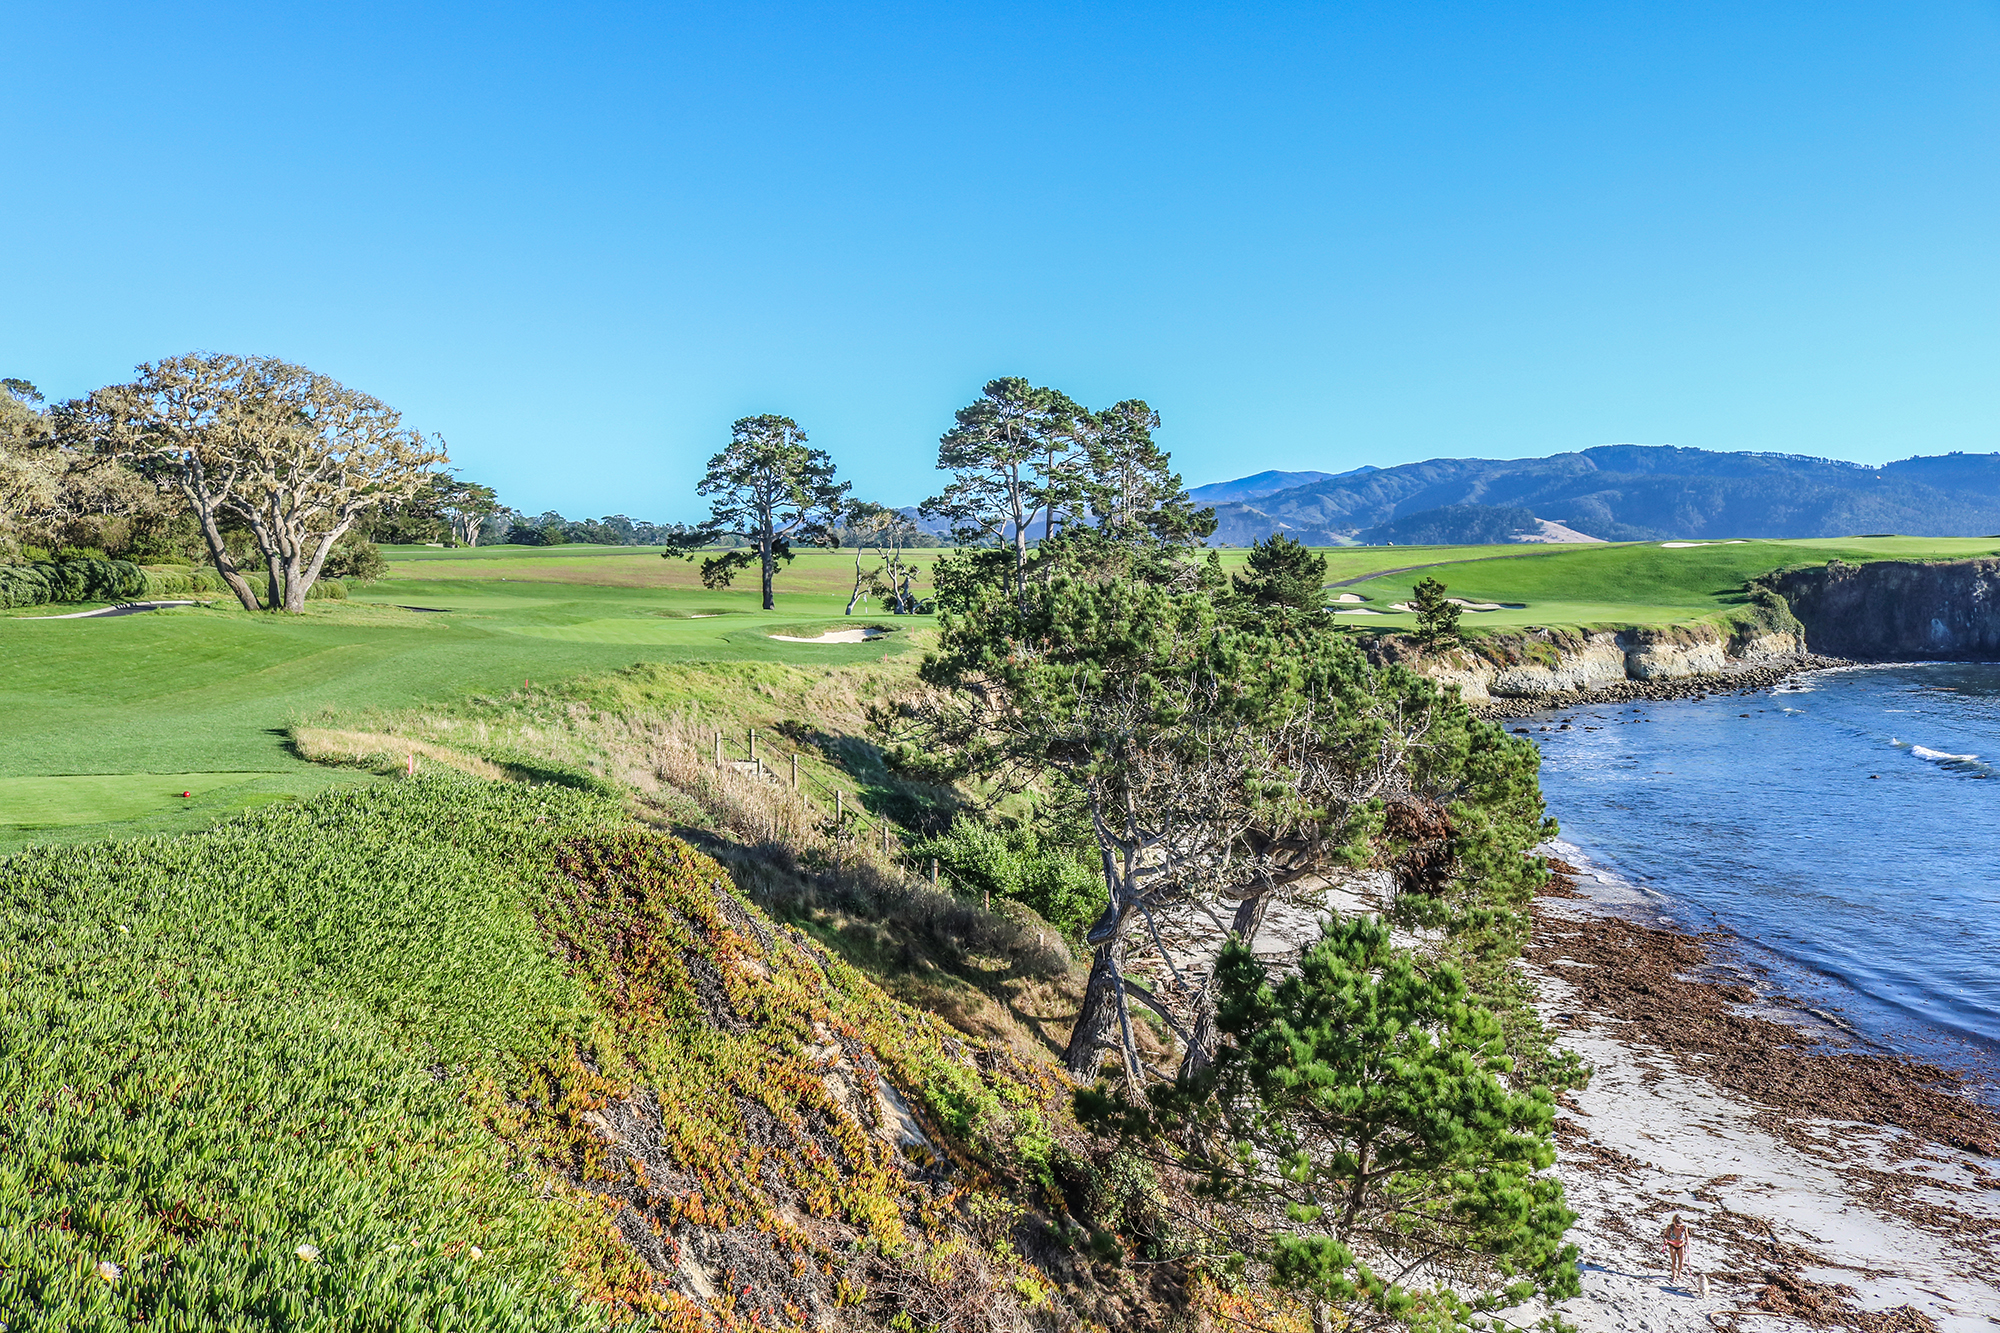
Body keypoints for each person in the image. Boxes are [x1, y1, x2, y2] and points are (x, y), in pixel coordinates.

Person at [1663, 1214, 1690, 1283]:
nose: (1678, 1226)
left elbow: (1687, 1236)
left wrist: (1687, 1242)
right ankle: (1674, 1276)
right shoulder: (1670, 1227)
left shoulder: (1684, 1227)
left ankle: (1679, 1272)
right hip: (1672, 1245)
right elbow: (1666, 1236)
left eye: (1680, 1225)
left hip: (1681, 1245)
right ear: (1674, 1223)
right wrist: (1666, 1240)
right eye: (1677, 1225)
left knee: (1681, 1262)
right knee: (1674, 1261)